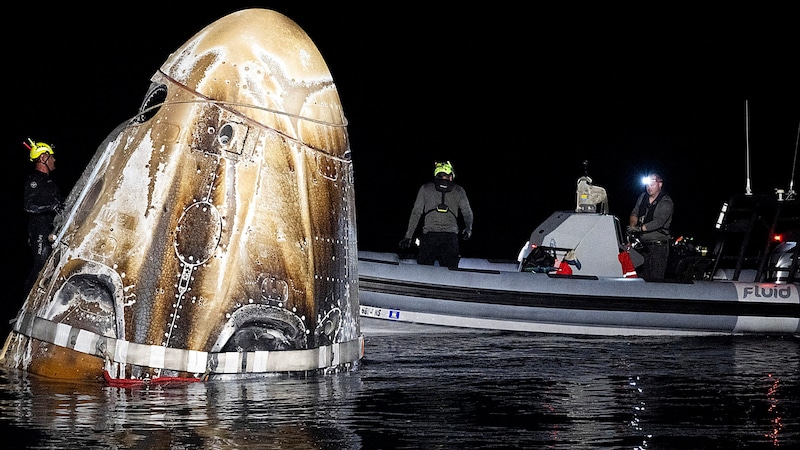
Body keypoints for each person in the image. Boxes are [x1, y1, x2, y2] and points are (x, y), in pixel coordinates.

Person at [399, 161, 474, 268]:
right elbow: (467, 213)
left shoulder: (425, 188)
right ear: (450, 175)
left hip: (429, 236)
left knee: (424, 270)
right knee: (451, 271)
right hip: (450, 237)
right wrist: (468, 229)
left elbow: (416, 213)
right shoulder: (459, 190)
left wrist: (408, 237)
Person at [23, 138, 64, 292]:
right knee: (41, 262)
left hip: (52, 228)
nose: (54, 159)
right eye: (51, 156)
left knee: (53, 263)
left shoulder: (50, 183)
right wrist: (51, 206)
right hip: (39, 228)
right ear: (43, 158)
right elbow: (29, 206)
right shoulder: (34, 180)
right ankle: (25, 302)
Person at [628, 173, 673, 280]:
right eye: (647, 185)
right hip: (643, 246)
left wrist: (639, 228)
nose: (649, 187)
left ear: (660, 184)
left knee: (655, 278)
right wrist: (632, 229)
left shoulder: (666, 201)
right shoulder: (643, 197)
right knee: (641, 277)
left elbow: (659, 222)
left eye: (652, 184)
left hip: (658, 247)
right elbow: (635, 212)